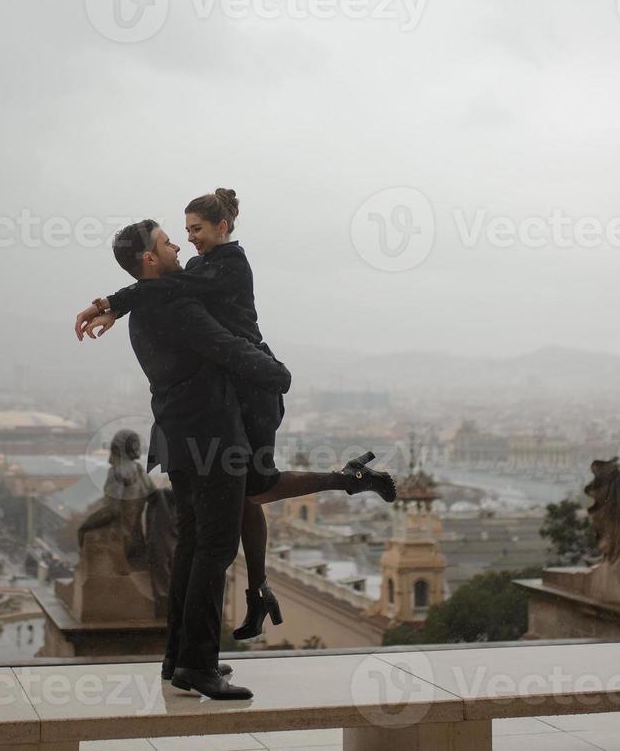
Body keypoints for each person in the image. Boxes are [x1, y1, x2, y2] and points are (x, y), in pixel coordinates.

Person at [76, 190, 396, 641]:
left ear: (222, 227)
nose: (188, 242)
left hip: (256, 387)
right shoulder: (197, 270)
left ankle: (269, 577)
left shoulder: (230, 265)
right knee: (247, 491)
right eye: (182, 233)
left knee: (251, 488)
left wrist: (112, 303)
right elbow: (162, 286)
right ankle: (265, 583)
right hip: (241, 386)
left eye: (196, 231)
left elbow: (165, 288)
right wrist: (116, 305)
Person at [106, 218, 292, 699]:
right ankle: (198, 665)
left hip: (178, 438)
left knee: (191, 547)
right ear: (150, 259)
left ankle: (178, 658)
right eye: (168, 243)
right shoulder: (176, 304)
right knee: (214, 549)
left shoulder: (149, 307)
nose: (178, 249)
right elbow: (225, 347)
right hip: (213, 438)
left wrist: (112, 302)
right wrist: (276, 373)